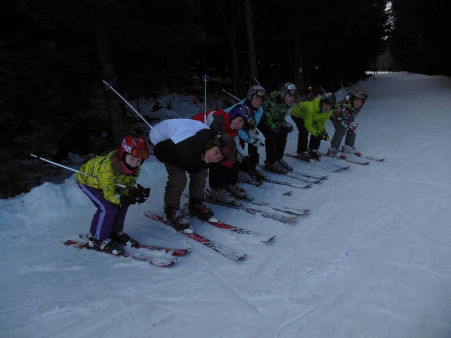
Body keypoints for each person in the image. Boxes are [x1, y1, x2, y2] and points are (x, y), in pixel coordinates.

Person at [149, 119, 237, 230]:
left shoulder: (209, 147)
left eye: (219, 158)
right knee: (179, 178)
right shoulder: (181, 149)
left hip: (187, 140)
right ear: (211, 144)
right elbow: (159, 152)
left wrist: (195, 166)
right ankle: (171, 211)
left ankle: (195, 204)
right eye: (216, 152)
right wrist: (188, 165)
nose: (214, 158)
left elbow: (205, 159)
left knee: (201, 173)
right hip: (162, 139)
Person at [76, 135, 151, 255]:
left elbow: (126, 186)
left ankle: (115, 232)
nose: (134, 164)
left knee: (124, 203)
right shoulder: (108, 168)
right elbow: (109, 195)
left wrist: (134, 195)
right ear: (123, 154)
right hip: (89, 183)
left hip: (109, 185)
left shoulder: (136, 168)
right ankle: (98, 239)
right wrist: (122, 199)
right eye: (132, 159)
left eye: (138, 161)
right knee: (108, 207)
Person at [192, 103, 255, 205]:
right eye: (239, 121)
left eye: (242, 124)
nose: (239, 125)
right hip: (192, 140)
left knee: (232, 157)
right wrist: (230, 160)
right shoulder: (217, 122)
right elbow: (215, 147)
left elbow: (235, 145)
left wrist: (245, 157)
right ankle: (216, 188)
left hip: (208, 141)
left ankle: (230, 184)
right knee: (219, 158)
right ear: (234, 114)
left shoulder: (232, 127)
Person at [224, 85, 267, 180]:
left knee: (253, 137)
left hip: (243, 127)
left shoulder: (260, 109)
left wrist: (252, 139)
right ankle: (240, 169)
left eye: (261, 100)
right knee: (239, 144)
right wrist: (248, 139)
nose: (258, 101)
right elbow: (236, 128)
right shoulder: (241, 107)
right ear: (250, 96)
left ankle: (253, 165)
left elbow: (253, 125)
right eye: (256, 98)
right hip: (230, 128)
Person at [259, 82, 297, 174]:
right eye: (290, 96)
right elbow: (267, 118)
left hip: (272, 120)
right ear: (284, 93)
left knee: (283, 133)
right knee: (272, 137)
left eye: (293, 97)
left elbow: (280, 117)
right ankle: (270, 162)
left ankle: (279, 158)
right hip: (261, 119)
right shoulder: (271, 101)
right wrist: (277, 128)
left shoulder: (285, 102)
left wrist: (285, 125)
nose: (292, 99)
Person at [290, 93, 337, 161]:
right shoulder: (311, 108)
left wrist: (323, 132)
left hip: (311, 117)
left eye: (330, 105)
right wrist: (317, 134)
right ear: (322, 102)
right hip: (298, 114)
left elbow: (321, 122)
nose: (328, 107)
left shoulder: (330, 111)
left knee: (318, 131)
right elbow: (308, 125)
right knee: (304, 131)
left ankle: (313, 149)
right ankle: (301, 151)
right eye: (326, 104)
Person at [328, 91, 368, 157]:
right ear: (352, 100)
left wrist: (351, 125)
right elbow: (340, 118)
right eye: (356, 101)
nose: (358, 103)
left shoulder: (357, 107)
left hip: (346, 117)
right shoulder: (344, 105)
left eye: (360, 102)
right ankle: (334, 149)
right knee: (341, 129)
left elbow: (352, 116)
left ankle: (348, 146)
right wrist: (346, 125)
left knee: (352, 127)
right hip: (336, 116)